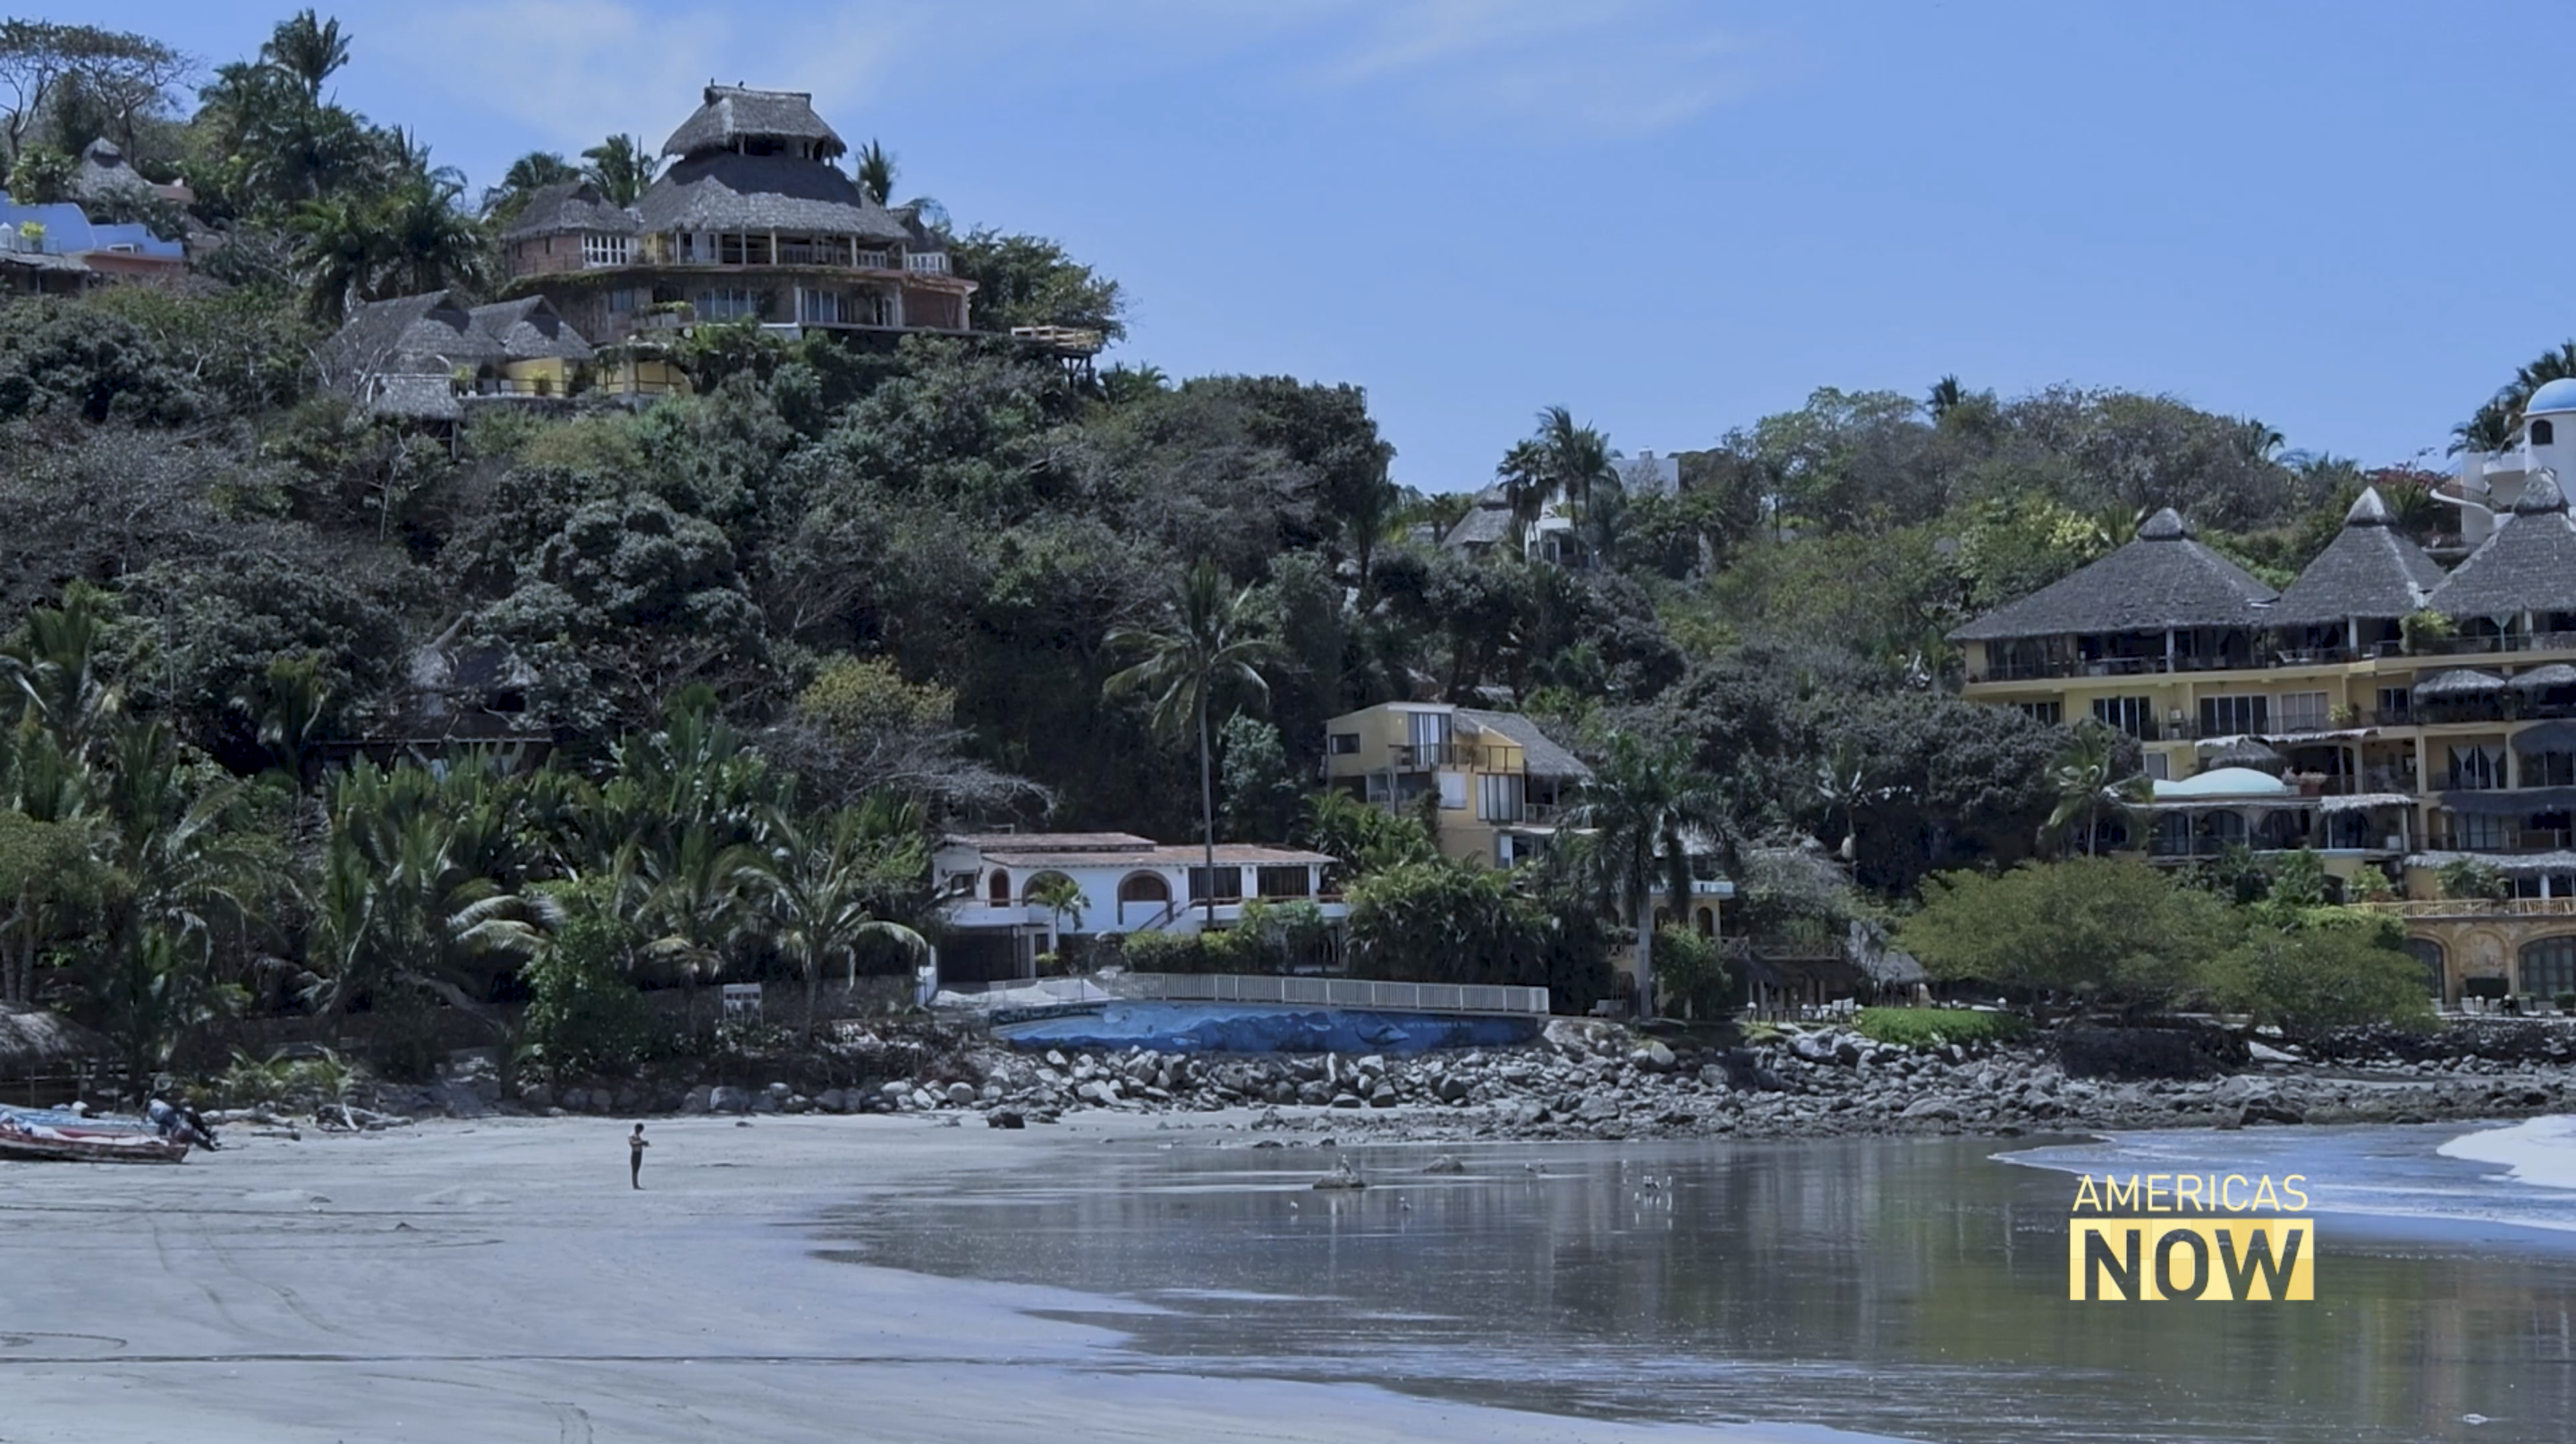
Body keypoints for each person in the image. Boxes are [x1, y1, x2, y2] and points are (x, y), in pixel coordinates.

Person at [629, 1123, 648, 1189]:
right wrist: (641, 1143)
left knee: (637, 1169)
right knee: (634, 1169)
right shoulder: (632, 1136)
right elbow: (632, 1143)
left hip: (639, 1153)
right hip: (635, 1153)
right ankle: (635, 1185)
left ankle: (636, 1183)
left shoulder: (638, 1136)